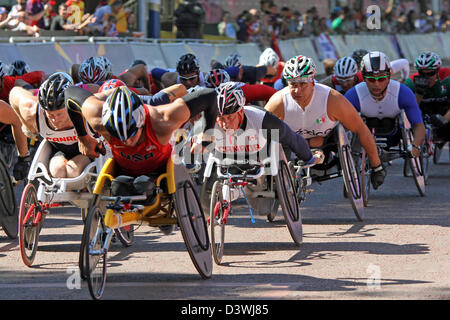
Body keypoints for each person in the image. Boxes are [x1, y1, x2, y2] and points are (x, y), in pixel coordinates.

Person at [196, 81, 323, 214]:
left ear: (240, 112)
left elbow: (292, 138)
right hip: (230, 158)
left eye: (229, 117)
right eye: (220, 118)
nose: (225, 123)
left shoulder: (262, 119)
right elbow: (191, 146)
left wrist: (308, 158)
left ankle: (276, 184)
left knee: (264, 209)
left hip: (260, 158)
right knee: (206, 205)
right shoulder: (207, 123)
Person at [264, 55, 386, 190]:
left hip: (328, 140)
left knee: (349, 129)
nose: (298, 90)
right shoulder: (278, 102)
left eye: (303, 84)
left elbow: (361, 129)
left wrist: (377, 166)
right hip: (293, 141)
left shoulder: (332, 99)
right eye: (293, 84)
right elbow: (260, 133)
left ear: (312, 81)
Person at [10, 72, 97, 179]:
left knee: (73, 171)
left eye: (59, 114)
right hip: (58, 150)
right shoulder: (30, 109)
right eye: (50, 114)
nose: (55, 119)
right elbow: (14, 92)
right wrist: (25, 124)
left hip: (89, 151)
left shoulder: (89, 105)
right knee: (57, 171)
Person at [345, 51, 426, 161]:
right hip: (365, 135)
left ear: (389, 77)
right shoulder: (353, 95)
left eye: (381, 79)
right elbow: (343, 127)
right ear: (363, 78)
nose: (376, 84)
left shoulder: (403, 92)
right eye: (371, 79)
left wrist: (415, 145)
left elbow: (418, 124)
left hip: (395, 134)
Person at [404, 52, 450, 142]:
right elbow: (408, 110)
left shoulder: (447, 77)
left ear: (437, 71)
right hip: (423, 113)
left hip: (445, 112)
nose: (426, 77)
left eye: (430, 73)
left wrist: (444, 119)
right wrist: (419, 94)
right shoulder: (410, 82)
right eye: (422, 73)